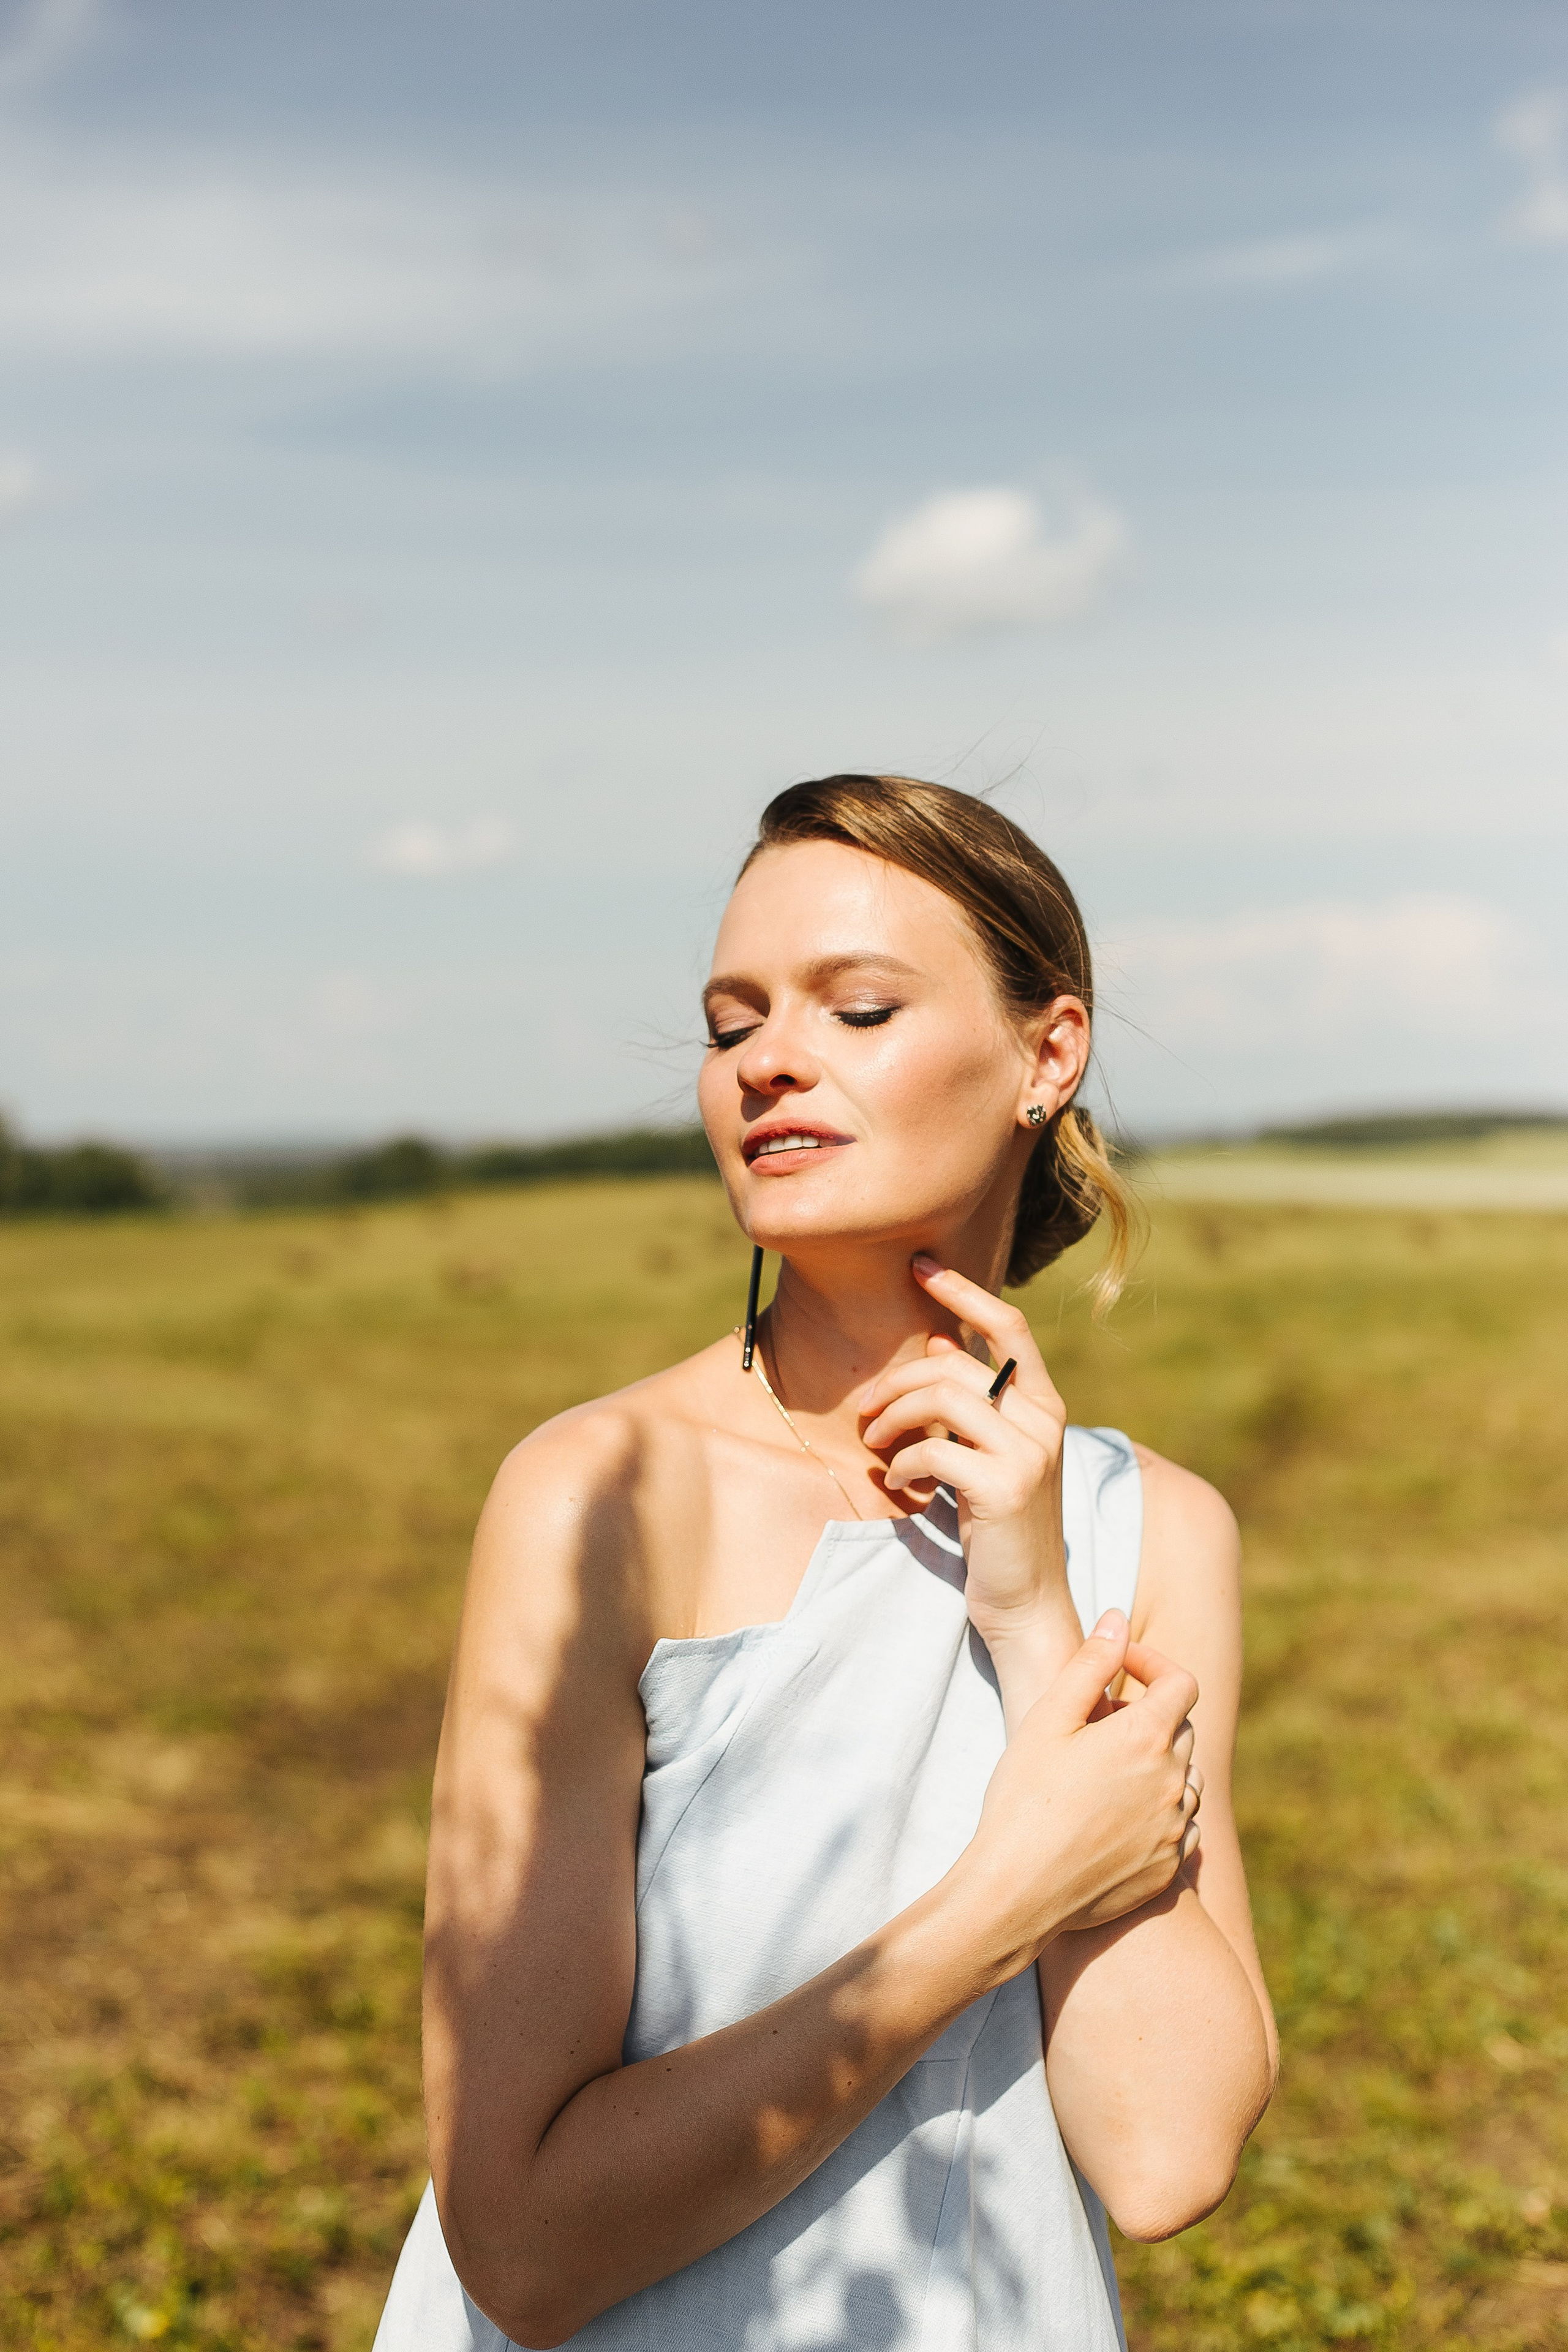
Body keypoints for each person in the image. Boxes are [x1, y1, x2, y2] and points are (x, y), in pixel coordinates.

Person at [374, 774, 1278, 2352]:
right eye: (733, 1025)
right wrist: (997, 1907)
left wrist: (1034, 1606)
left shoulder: (1160, 1530)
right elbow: (516, 2245)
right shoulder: (597, 1497)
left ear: (1046, 1055)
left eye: (857, 1008)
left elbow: (1166, 2153)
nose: (768, 1061)